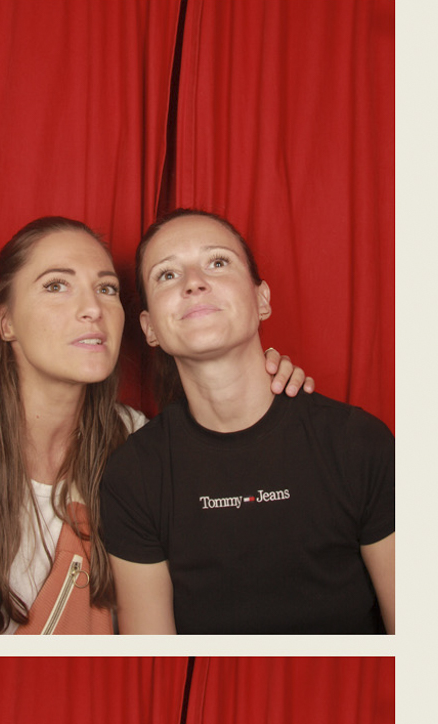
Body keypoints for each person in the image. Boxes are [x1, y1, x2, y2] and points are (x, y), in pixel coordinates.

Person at [0, 216, 309, 635]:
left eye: (106, 289)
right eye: (56, 285)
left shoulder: (137, 442)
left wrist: (264, 393)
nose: (92, 309)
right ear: (5, 321)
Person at [99, 209, 396, 635]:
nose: (193, 283)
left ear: (262, 300)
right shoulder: (134, 474)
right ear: (149, 329)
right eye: (167, 275)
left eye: (218, 262)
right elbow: (153, 657)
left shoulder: (358, 443)